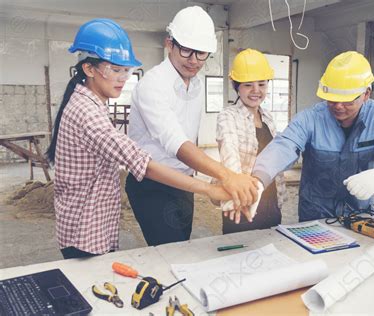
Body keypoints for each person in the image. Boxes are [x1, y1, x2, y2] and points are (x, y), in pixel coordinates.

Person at [46, 18, 231, 259]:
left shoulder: (92, 102)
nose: (123, 78)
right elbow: (143, 163)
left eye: (126, 70)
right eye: (114, 69)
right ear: (89, 69)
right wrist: (211, 188)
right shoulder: (87, 111)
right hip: (85, 227)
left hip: (96, 222)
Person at [126, 6, 257, 246]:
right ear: (169, 44)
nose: (194, 61)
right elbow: (176, 142)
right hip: (153, 183)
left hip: (184, 181)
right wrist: (226, 175)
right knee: (169, 250)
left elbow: (190, 137)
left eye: (201, 53)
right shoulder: (152, 85)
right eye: (186, 50)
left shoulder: (195, 84)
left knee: (182, 246)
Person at [252, 51, 374, 221]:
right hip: (315, 216)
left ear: (366, 93)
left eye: (347, 101)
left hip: (361, 217)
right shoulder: (311, 118)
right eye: (332, 99)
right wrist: (259, 179)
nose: (338, 106)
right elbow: (285, 145)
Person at [215, 49, 287, 234]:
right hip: (242, 203)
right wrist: (238, 197)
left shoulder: (268, 118)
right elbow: (229, 151)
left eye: (262, 84)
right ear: (236, 86)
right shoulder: (228, 116)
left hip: (270, 200)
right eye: (248, 85)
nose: (256, 91)